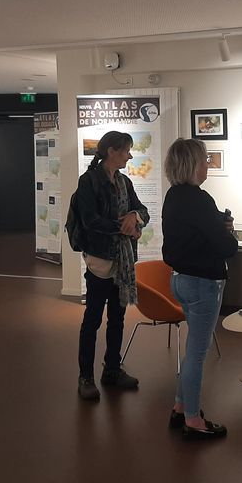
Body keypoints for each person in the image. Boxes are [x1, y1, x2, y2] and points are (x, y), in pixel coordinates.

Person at [162, 138, 238, 440]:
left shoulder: (174, 196)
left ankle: (181, 406)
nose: (208, 164)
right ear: (193, 164)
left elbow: (192, 231)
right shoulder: (199, 199)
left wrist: (217, 225)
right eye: (205, 159)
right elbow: (226, 247)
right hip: (203, 284)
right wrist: (226, 232)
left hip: (180, 280)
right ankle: (193, 420)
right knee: (196, 353)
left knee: (192, 350)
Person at [74, 130, 150, 401]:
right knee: (92, 320)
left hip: (122, 261)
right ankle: (85, 376)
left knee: (117, 318)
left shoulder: (124, 182)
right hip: (99, 260)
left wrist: (134, 217)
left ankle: (112, 369)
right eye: (126, 150)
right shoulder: (89, 182)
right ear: (111, 152)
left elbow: (144, 212)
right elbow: (89, 220)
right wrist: (125, 227)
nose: (130, 155)